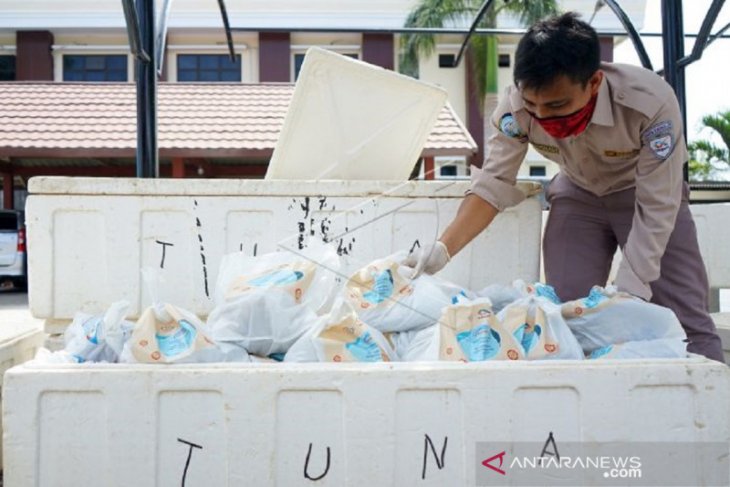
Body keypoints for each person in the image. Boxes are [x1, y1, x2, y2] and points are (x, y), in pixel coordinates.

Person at [402, 12, 724, 363]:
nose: (543, 117)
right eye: (532, 105)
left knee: (688, 323)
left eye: (557, 105)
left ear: (595, 82)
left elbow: (657, 203)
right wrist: (442, 250)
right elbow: (492, 184)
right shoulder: (514, 110)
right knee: (563, 319)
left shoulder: (650, 103)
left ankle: (714, 412)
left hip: (644, 195)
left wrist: (628, 292)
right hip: (578, 193)